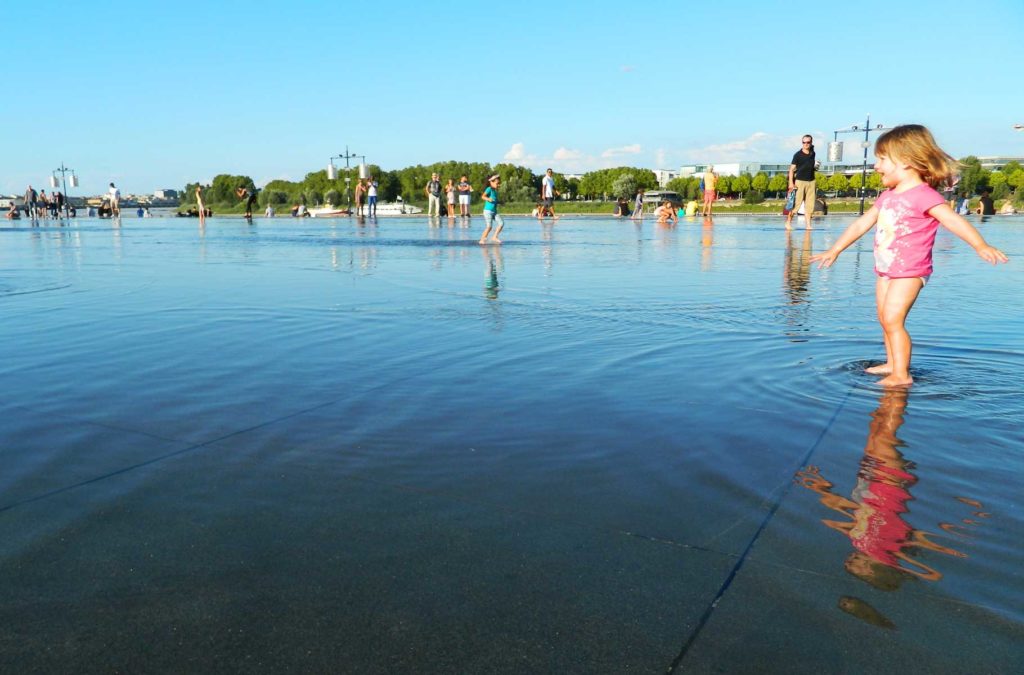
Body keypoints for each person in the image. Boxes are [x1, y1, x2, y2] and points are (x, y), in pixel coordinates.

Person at [810, 124, 1008, 387]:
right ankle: (893, 363)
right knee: (884, 318)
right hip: (885, 269)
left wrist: (980, 245)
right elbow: (862, 223)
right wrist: (835, 249)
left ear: (905, 161)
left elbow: (953, 221)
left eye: (882, 159)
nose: (876, 166)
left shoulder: (924, 195)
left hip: (911, 271)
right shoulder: (887, 196)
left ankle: (902, 375)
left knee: (893, 318)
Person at [785, 135, 816, 230]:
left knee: (810, 206)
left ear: (811, 143)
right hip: (800, 182)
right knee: (796, 204)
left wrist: (815, 167)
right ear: (802, 143)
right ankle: (788, 223)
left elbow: (810, 166)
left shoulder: (813, 153)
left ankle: (808, 225)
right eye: (804, 142)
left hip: (811, 181)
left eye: (808, 142)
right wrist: (791, 183)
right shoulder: (797, 155)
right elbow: (791, 170)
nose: (806, 144)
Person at [479, 174, 504, 245]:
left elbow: (495, 200)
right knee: (489, 227)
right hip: (488, 211)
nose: (498, 185)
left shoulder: (495, 191)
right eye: (497, 183)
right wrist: (488, 199)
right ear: (491, 182)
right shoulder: (489, 189)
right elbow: (483, 196)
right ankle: (482, 239)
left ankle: (494, 237)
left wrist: (500, 202)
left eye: (499, 183)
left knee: (501, 223)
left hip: (494, 212)